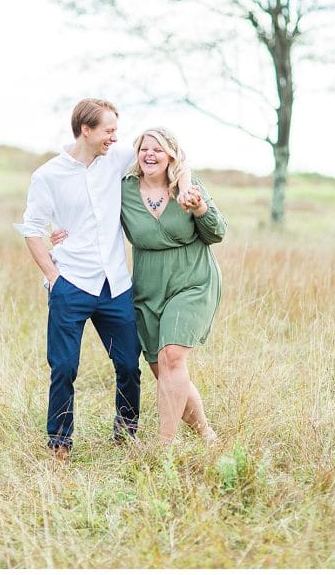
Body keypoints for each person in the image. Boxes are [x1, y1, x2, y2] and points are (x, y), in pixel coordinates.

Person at [15, 99, 144, 458]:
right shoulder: (47, 176)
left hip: (115, 284)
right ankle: (60, 443)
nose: (114, 138)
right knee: (64, 368)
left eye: (116, 130)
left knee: (129, 365)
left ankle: (126, 433)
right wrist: (53, 277)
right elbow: (32, 229)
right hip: (71, 284)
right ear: (85, 130)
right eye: (108, 130)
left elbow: (156, 152)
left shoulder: (117, 158)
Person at [119, 127, 226, 444]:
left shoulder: (189, 187)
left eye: (158, 149)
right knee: (162, 368)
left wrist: (199, 208)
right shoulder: (124, 189)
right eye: (144, 149)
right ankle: (205, 433)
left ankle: (165, 446)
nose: (150, 155)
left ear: (171, 155)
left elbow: (217, 233)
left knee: (172, 358)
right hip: (149, 288)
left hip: (192, 281)